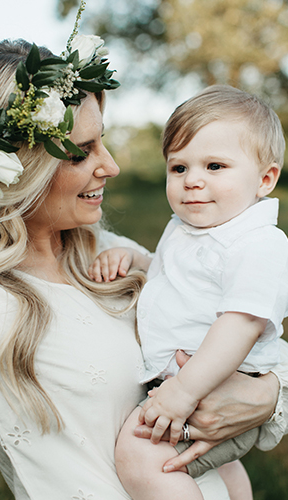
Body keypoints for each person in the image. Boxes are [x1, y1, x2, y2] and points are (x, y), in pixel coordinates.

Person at [0, 10, 287, 497]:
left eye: (105, 142)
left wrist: (269, 395)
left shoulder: (112, 251)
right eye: (81, 151)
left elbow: (236, 323)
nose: (111, 167)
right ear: (17, 170)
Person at [89, 85, 288, 500]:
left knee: (140, 455)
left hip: (221, 386)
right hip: (191, 384)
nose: (193, 181)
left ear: (265, 179)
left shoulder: (257, 243)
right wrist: (137, 259)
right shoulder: (188, 228)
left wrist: (183, 392)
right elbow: (176, 273)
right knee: (220, 464)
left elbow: (242, 323)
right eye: (179, 168)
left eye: (215, 166)